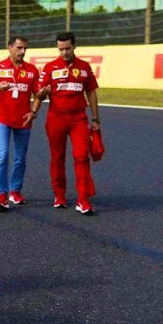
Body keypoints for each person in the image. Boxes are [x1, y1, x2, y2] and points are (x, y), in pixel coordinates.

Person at [31, 32, 101, 214]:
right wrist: (40, 99)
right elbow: (39, 94)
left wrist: (95, 119)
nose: (64, 52)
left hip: (78, 119)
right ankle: (59, 195)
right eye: (60, 49)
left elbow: (91, 92)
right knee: (57, 158)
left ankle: (83, 199)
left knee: (81, 157)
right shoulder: (49, 67)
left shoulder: (84, 67)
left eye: (67, 48)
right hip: (56, 118)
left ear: (74, 46)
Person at [0, 36, 40, 210]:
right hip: (2, 120)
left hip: (24, 120)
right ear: (10, 47)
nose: (22, 52)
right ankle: (1, 194)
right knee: (3, 155)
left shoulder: (32, 70)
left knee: (20, 159)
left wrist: (34, 111)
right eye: (19, 48)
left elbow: (38, 94)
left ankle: (15, 191)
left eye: (25, 49)